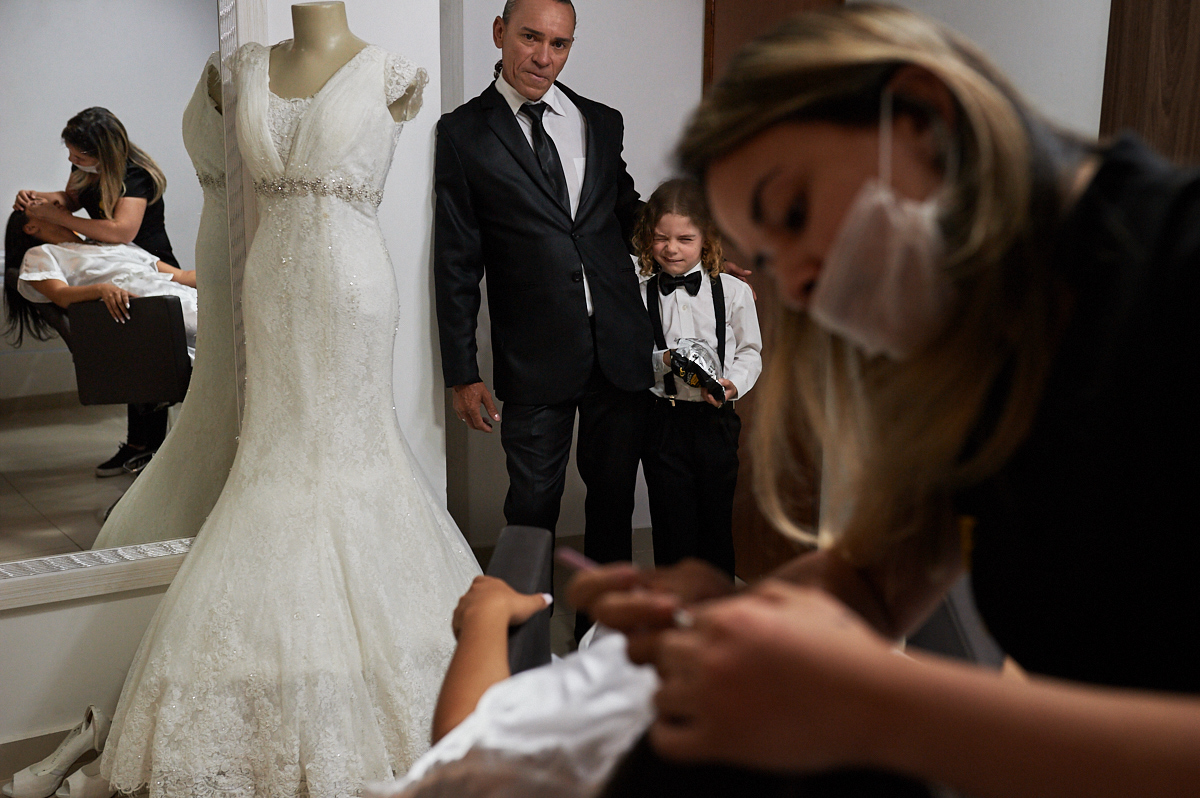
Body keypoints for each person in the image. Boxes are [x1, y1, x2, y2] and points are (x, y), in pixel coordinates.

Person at [570, 5, 1200, 797]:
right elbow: (875, 580)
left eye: (795, 211)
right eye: (768, 257)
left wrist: (882, 708)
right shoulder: (971, 349)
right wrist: (728, 628)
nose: (796, 283)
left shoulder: (1176, 277)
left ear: (920, 116)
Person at [97, 5, 481, 798]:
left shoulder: (392, 72)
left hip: (352, 284)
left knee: (351, 452)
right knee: (273, 460)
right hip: (268, 284)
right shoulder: (239, 72)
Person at [434, 0, 654, 630]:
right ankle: (522, 640)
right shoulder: (464, 134)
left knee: (613, 501)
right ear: (501, 33)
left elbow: (625, 210)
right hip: (534, 356)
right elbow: (456, 260)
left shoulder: (600, 122)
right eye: (531, 38)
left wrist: (702, 247)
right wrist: (461, 371)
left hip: (619, 344)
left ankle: (601, 637)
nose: (544, 57)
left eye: (559, 44)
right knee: (532, 504)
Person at [13, 107, 183, 475]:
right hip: (116, 265)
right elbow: (70, 200)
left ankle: (152, 448)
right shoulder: (86, 170)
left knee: (152, 357)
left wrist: (56, 218)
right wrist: (41, 200)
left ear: (104, 152)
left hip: (144, 261)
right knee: (137, 358)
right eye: (71, 156)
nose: (73, 162)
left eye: (80, 156)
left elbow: (122, 231)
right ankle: (141, 446)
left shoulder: (135, 176)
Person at [632, 179, 761, 577]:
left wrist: (732, 383)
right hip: (662, 421)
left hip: (716, 422)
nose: (672, 249)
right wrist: (664, 359)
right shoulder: (638, 293)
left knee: (715, 520)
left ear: (706, 239)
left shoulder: (734, 292)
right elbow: (631, 359)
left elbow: (750, 352)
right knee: (672, 523)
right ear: (646, 239)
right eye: (661, 238)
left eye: (685, 239)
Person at [4, 210, 197, 354]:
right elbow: (60, 295)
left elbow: (182, 277)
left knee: (221, 314)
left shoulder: (111, 243)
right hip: (140, 303)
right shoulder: (42, 253)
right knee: (208, 330)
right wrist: (101, 289)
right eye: (42, 207)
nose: (56, 206)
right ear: (30, 227)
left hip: (179, 292)